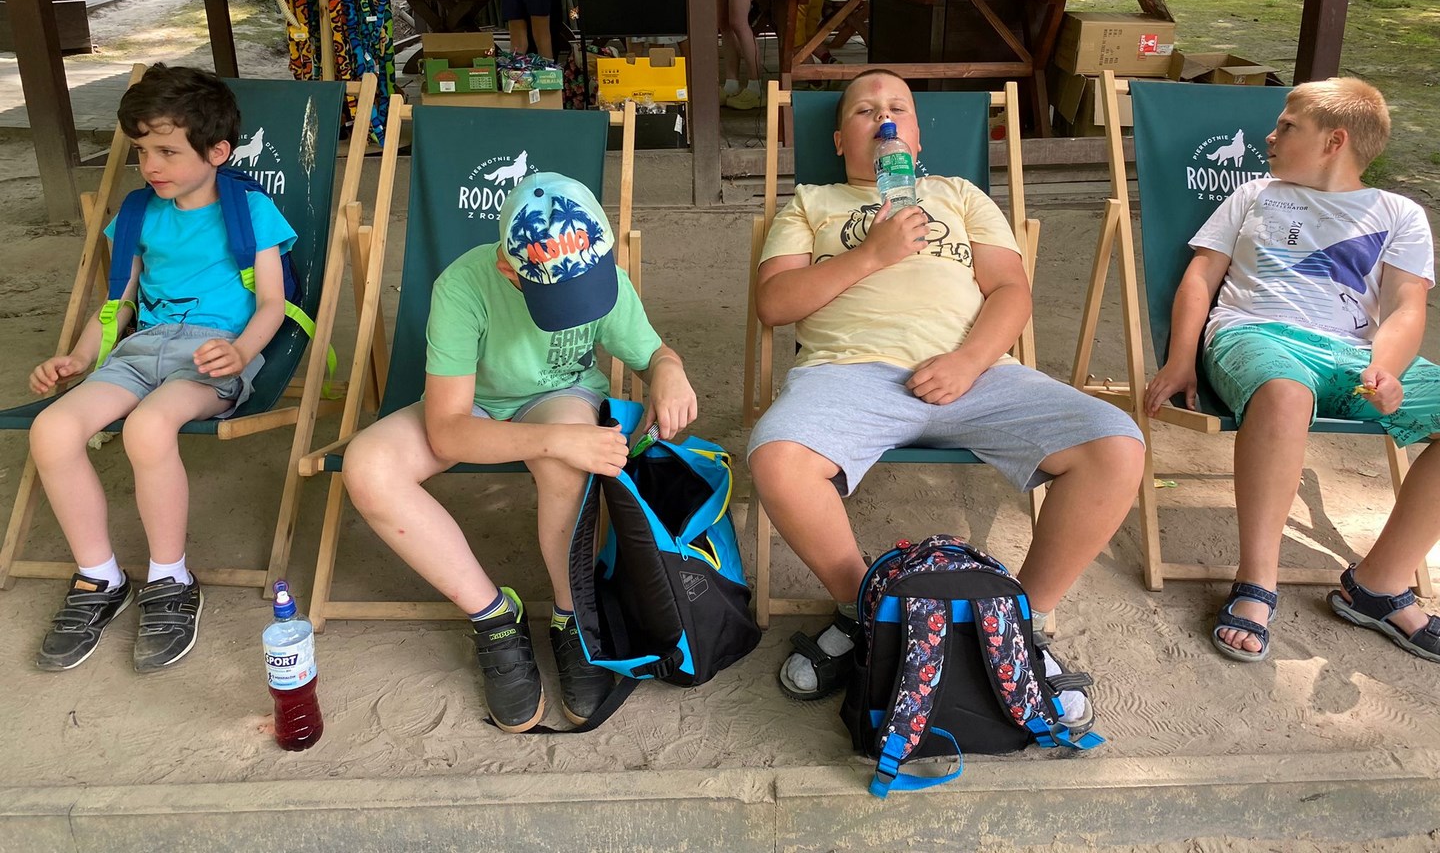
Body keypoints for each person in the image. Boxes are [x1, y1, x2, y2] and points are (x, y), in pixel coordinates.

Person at [748, 69, 1145, 722]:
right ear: (841, 141)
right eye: (864, 111)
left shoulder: (958, 194)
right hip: (849, 373)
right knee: (776, 458)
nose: (883, 119)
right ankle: (868, 611)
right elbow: (774, 303)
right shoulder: (812, 204)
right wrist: (870, 255)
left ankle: (1017, 624)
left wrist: (968, 361)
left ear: (917, 136)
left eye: (897, 108)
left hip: (978, 371)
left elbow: (1011, 291)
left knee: (1116, 445)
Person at [340, 172, 698, 732]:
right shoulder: (464, 286)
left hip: (560, 394)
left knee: (569, 457)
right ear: (509, 270)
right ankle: (494, 617)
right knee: (368, 467)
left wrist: (669, 370)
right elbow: (448, 431)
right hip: (474, 403)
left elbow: (653, 353)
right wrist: (555, 439)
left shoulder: (602, 270)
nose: (580, 305)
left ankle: (573, 616)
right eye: (559, 299)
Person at [1145, 78, 1440, 664]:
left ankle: (1379, 584)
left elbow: (1407, 307)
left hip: (1355, 357)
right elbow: (1201, 276)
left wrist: (1385, 369)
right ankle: (1257, 581)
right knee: (1286, 395)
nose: (1269, 135)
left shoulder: (1400, 214)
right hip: (1255, 336)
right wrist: (1180, 359)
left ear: (1335, 141)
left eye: (1286, 127)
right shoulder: (1255, 195)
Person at [27, 65, 296, 674]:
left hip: (210, 355)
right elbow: (117, 303)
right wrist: (79, 357)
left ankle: (170, 578)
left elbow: (273, 303)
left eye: (168, 151)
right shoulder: (138, 213)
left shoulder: (250, 210)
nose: (151, 165)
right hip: (139, 350)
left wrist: (242, 353)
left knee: (149, 427)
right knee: (52, 429)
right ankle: (99, 577)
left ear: (217, 152)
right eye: (142, 150)